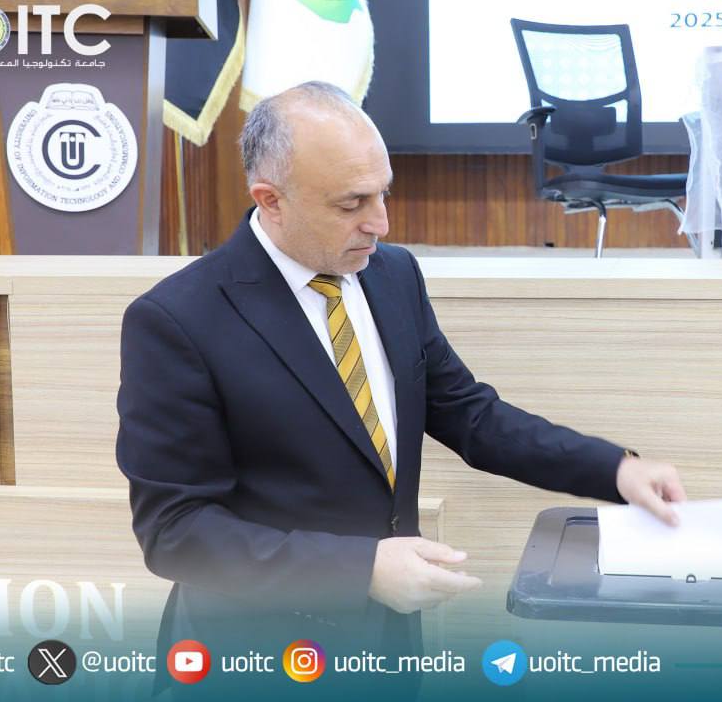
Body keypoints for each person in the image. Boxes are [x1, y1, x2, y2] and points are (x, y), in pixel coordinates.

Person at [116, 80, 686, 695]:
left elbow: (470, 415)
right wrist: (359, 570)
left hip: (385, 649)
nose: (380, 223)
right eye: (351, 204)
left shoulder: (391, 274)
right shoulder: (177, 320)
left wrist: (614, 469)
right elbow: (176, 532)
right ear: (271, 200)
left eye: (383, 193)